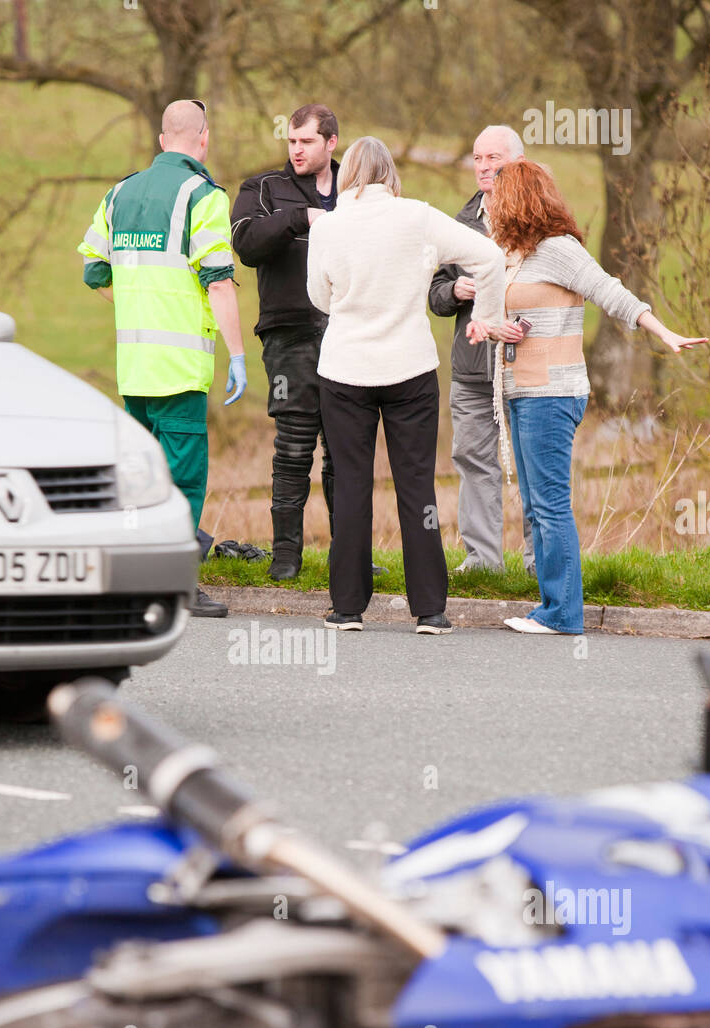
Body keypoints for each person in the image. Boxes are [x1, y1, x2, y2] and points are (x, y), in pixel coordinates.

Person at [467, 159, 708, 635]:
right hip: (521, 392)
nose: (490, 202)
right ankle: (550, 607)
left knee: (551, 504)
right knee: (536, 505)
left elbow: (609, 292)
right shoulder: (518, 255)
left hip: (551, 394)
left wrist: (663, 331)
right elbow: (504, 317)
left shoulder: (559, 249)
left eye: (498, 193)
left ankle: (563, 614)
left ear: (520, 198)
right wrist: (494, 328)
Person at [306, 137, 505, 634]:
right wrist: (486, 317)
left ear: (347, 171)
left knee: (350, 485)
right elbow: (491, 259)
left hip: (345, 369)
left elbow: (319, 298)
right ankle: (431, 610)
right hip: (410, 369)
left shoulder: (328, 225)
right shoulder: (420, 216)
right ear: (390, 173)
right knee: (417, 487)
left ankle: (347, 607)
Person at [77, 98, 247, 618]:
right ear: (204, 138)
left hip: (134, 368)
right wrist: (237, 353)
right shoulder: (203, 195)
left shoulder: (119, 192)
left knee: (142, 478)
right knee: (184, 479)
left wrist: (136, 301)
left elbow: (94, 273)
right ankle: (177, 586)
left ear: (160, 140)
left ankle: (133, 583)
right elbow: (218, 282)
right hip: (179, 369)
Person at [232, 104, 340, 581]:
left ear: (331, 143)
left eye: (306, 142)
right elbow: (248, 244)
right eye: (292, 142)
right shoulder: (262, 189)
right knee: (294, 447)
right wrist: (302, 218)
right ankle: (285, 558)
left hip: (350, 334)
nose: (296, 150)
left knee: (345, 450)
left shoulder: (359, 192)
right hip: (289, 333)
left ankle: (350, 557)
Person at [428, 125, 534, 574]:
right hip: (472, 368)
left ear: (517, 163)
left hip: (528, 363)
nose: (485, 166)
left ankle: (539, 561)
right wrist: (455, 290)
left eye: (494, 158)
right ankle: (484, 561)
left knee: (534, 467)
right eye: (477, 158)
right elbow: (432, 294)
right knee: (472, 459)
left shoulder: (539, 221)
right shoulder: (459, 224)